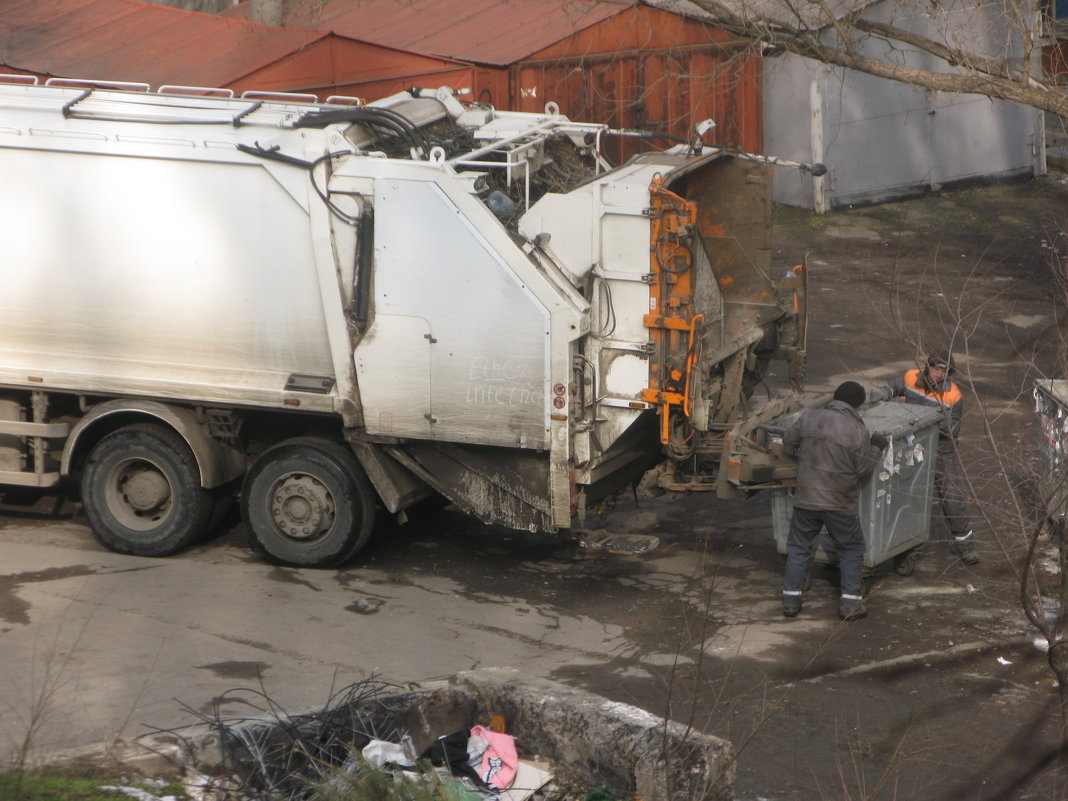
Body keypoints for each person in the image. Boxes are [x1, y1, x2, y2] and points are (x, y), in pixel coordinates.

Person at [782, 381, 886, 621]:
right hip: (839, 501)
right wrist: (876, 447)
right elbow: (862, 468)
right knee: (851, 548)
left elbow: (788, 442)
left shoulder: (810, 417)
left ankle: (790, 601)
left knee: (799, 548)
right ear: (857, 404)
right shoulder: (857, 430)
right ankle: (850, 603)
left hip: (806, 498)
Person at [869, 352, 978, 566]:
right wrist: (882, 393)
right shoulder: (911, 377)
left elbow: (953, 429)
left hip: (939, 448)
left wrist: (930, 423)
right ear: (927, 367)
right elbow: (894, 387)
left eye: (944, 371)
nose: (939, 374)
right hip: (911, 444)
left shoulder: (953, 396)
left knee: (950, 493)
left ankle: (965, 544)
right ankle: (899, 537)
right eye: (936, 368)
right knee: (900, 489)